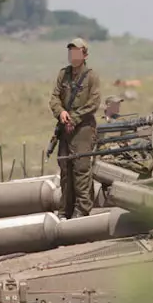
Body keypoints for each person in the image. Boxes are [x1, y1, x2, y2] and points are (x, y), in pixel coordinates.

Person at [48, 37, 101, 219]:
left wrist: (75, 118)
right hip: (65, 128)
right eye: (70, 51)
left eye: (77, 51)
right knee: (65, 169)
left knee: (81, 169)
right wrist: (61, 112)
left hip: (83, 129)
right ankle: (65, 210)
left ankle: (82, 209)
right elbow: (54, 98)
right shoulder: (63, 74)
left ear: (85, 54)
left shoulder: (91, 76)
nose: (73, 55)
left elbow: (94, 102)